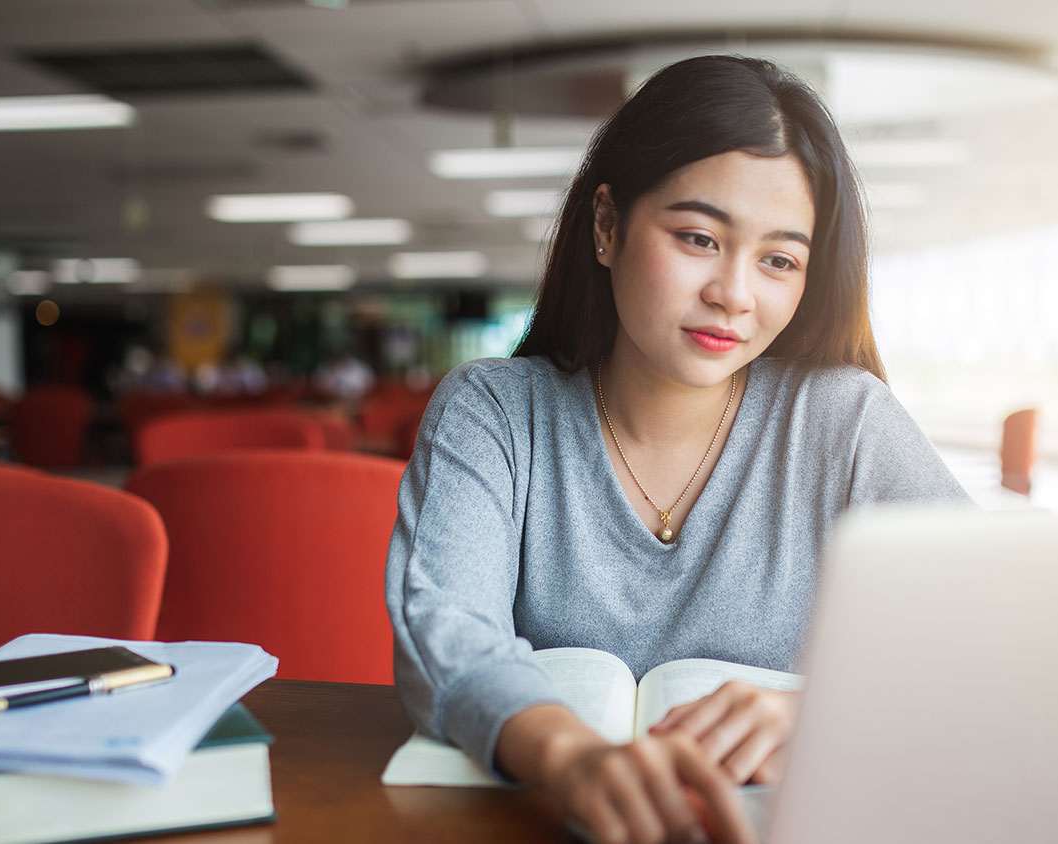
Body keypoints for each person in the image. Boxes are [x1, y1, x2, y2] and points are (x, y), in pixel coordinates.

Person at [385, 55, 971, 844]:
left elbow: (1010, 634)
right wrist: (566, 754)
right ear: (606, 225)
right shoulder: (496, 410)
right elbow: (443, 628)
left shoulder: (844, 422)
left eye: (778, 260)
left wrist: (820, 711)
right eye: (699, 237)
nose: (734, 293)